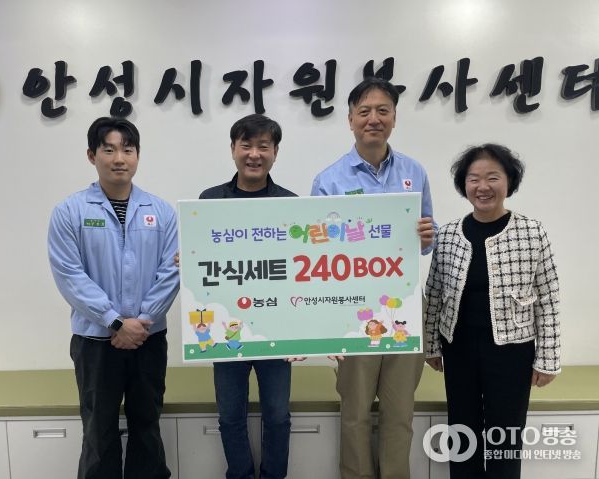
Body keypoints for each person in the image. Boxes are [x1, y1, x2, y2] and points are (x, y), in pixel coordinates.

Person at [311, 77, 436, 479]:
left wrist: (427, 235)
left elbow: (427, 239)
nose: (373, 119)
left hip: (404, 309)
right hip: (353, 309)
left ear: (394, 118)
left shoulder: (414, 171)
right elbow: (317, 252)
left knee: (400, 413)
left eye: (383, 111)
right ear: (350, 119)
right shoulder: (329, 180)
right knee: (355, 412)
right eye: (364, 111)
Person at [48, 117, 179, 479]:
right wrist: (115, 321)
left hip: (148, 339)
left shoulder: (161, 212)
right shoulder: (70, 211)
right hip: (95, 340)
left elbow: (171, 271)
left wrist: (141, 322)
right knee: (98, 429)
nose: (119, 158)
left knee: (147, 425)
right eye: (109, 149)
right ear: (92, 155)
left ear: (137, 156)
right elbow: (69, 275)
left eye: (128, 149)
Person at [424, 143, 561, 479]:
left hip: (512, 351)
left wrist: (548, 358)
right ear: (464, 184)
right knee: (462, 433)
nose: (482, 186)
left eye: (492, 177)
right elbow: (434, 293)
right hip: (458, 349)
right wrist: (431, 346)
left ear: (508, 181)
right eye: (473, 179)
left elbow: (548, 297)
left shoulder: (532, 232)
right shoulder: (448, 234)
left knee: (505, 436)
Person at [199, 113, 298, 479]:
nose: (254, 154)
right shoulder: (209, 201)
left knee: (278, 415)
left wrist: (302, 329)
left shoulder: (291, 204)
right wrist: (188, 259)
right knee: (229, 416)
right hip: (227, 329)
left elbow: (300, 272)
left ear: (275, 152)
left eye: (263, 146)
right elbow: (201, 260)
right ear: (233, 149)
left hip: (276, 329)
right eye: (246, 145)